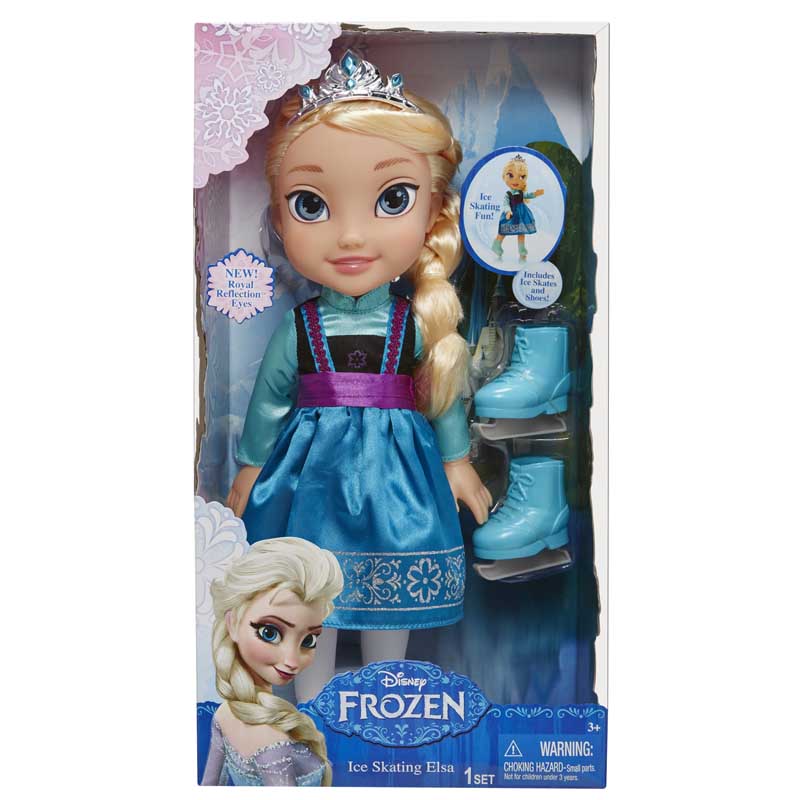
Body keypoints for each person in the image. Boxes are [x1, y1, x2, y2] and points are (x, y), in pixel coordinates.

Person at [226, 51, 491, 701]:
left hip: (397, 482)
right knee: (311, 594)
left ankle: (382, 691)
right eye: (310, 204)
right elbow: (268, 403)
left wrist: (458, 462)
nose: (350, 236)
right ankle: (312, 702)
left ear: (433, 211)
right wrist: (250, 468)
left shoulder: (415, 325)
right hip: (313, 483)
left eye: (392, 200)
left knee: (388, 596)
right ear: (279, 217)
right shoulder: (301, 328)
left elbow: (441, 399)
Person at [201, 538, 343, 786]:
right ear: (232, 623)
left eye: (308, 640)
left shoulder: (224, 714)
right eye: (269, 633)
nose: (292, 661)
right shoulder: (272, 739)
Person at [491, 154, 545, 262]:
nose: (516, 180)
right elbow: (505, 204)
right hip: (511, 214)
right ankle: (496, 244)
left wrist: (535, 194)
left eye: (521, 177)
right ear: (504, 176)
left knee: (522, 231)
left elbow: (527, 195)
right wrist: (508, 211)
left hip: (522, 214)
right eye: (511, 175)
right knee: (504, 230)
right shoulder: (508, 194)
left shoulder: (520, 192)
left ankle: (521, 249)